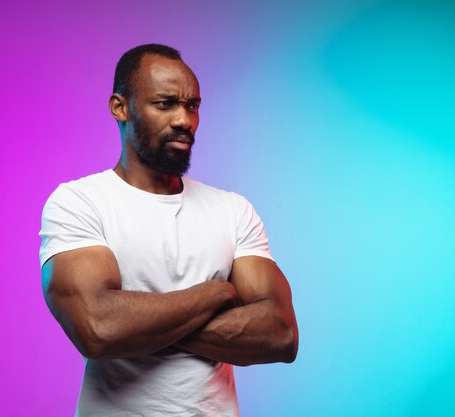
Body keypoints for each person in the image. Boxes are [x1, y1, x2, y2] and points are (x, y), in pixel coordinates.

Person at [39, 43, 298, 417]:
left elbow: (281, 334)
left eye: (192, 105)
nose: (184, 120)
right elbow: (97, 328)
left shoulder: (232, 209)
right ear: (120, 107)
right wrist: (215, 292)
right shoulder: (80, 202)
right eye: (165, 104)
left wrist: (139, 325)